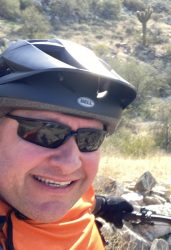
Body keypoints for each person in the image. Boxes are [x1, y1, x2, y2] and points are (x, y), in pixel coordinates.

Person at [0, 39, 137, 249]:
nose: (70, 164)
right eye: (46, 132)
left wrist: (101, 204)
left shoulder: (63, 190)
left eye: (90, 139)